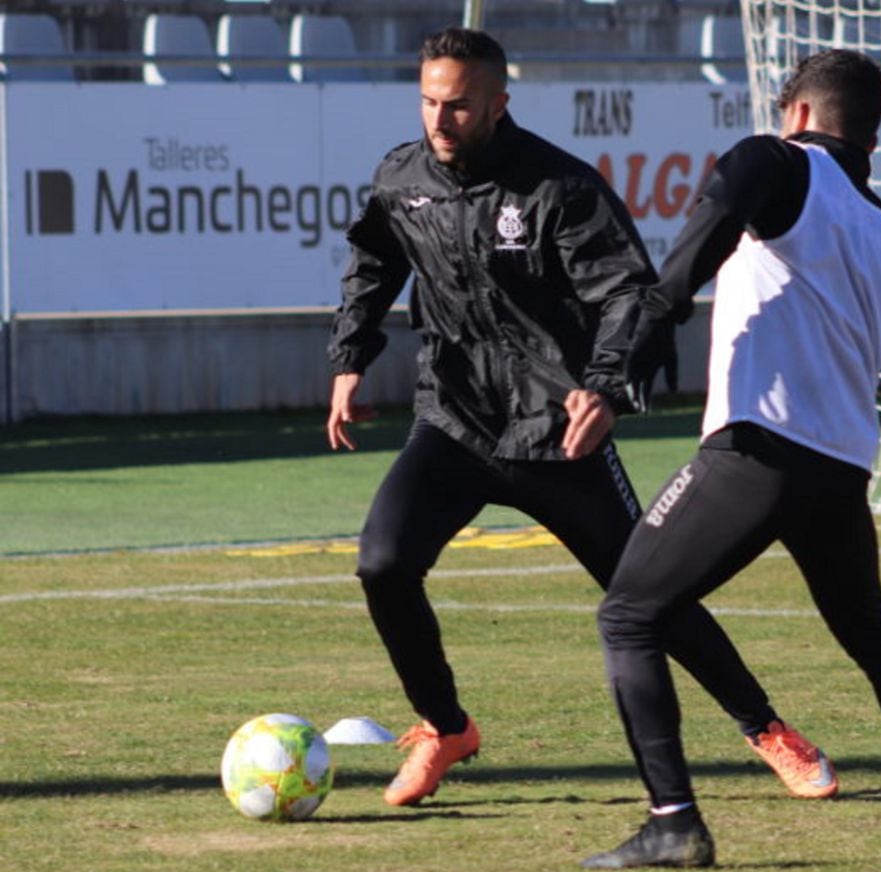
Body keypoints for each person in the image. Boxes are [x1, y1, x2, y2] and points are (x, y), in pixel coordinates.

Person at [326, 27, 836, 809]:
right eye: (429, 101)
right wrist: (350, 359)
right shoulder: (403, 176)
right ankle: (444, 725)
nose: (440, 120)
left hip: (558, 433)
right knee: (383, 563)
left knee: (649, 597)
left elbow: (626, 295)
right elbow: (374, 260)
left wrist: (601, 387)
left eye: (458, 105)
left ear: (499, 104)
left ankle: (766, 728)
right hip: (454, 424)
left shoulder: (560, 187)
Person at [584, 49, 881, 869]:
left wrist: (657, 318)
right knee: (871, 633)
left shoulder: (778, 158)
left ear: (798, 115)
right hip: (839, 473)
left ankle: (673, 822)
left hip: (758, 450)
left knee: (629, 614)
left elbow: (721, 208)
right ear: (871, 133)